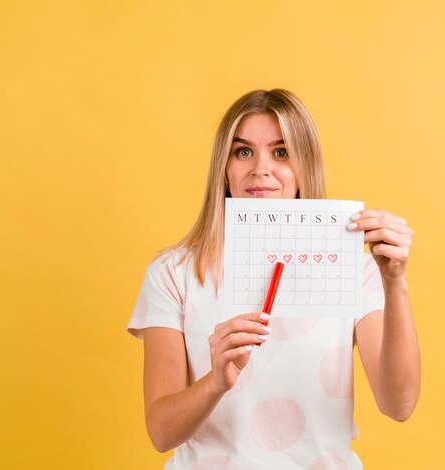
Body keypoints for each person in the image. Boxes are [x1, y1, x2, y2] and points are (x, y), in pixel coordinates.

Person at [127, 89, 420, 469]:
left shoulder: (354, 270)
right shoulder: (174, 273)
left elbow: (399, 404)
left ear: (304, 166)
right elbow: (161, 433)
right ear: (224, 166)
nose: (260, 169)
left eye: (281, 152)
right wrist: (216, 380)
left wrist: (394, 283)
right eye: (243, 151)